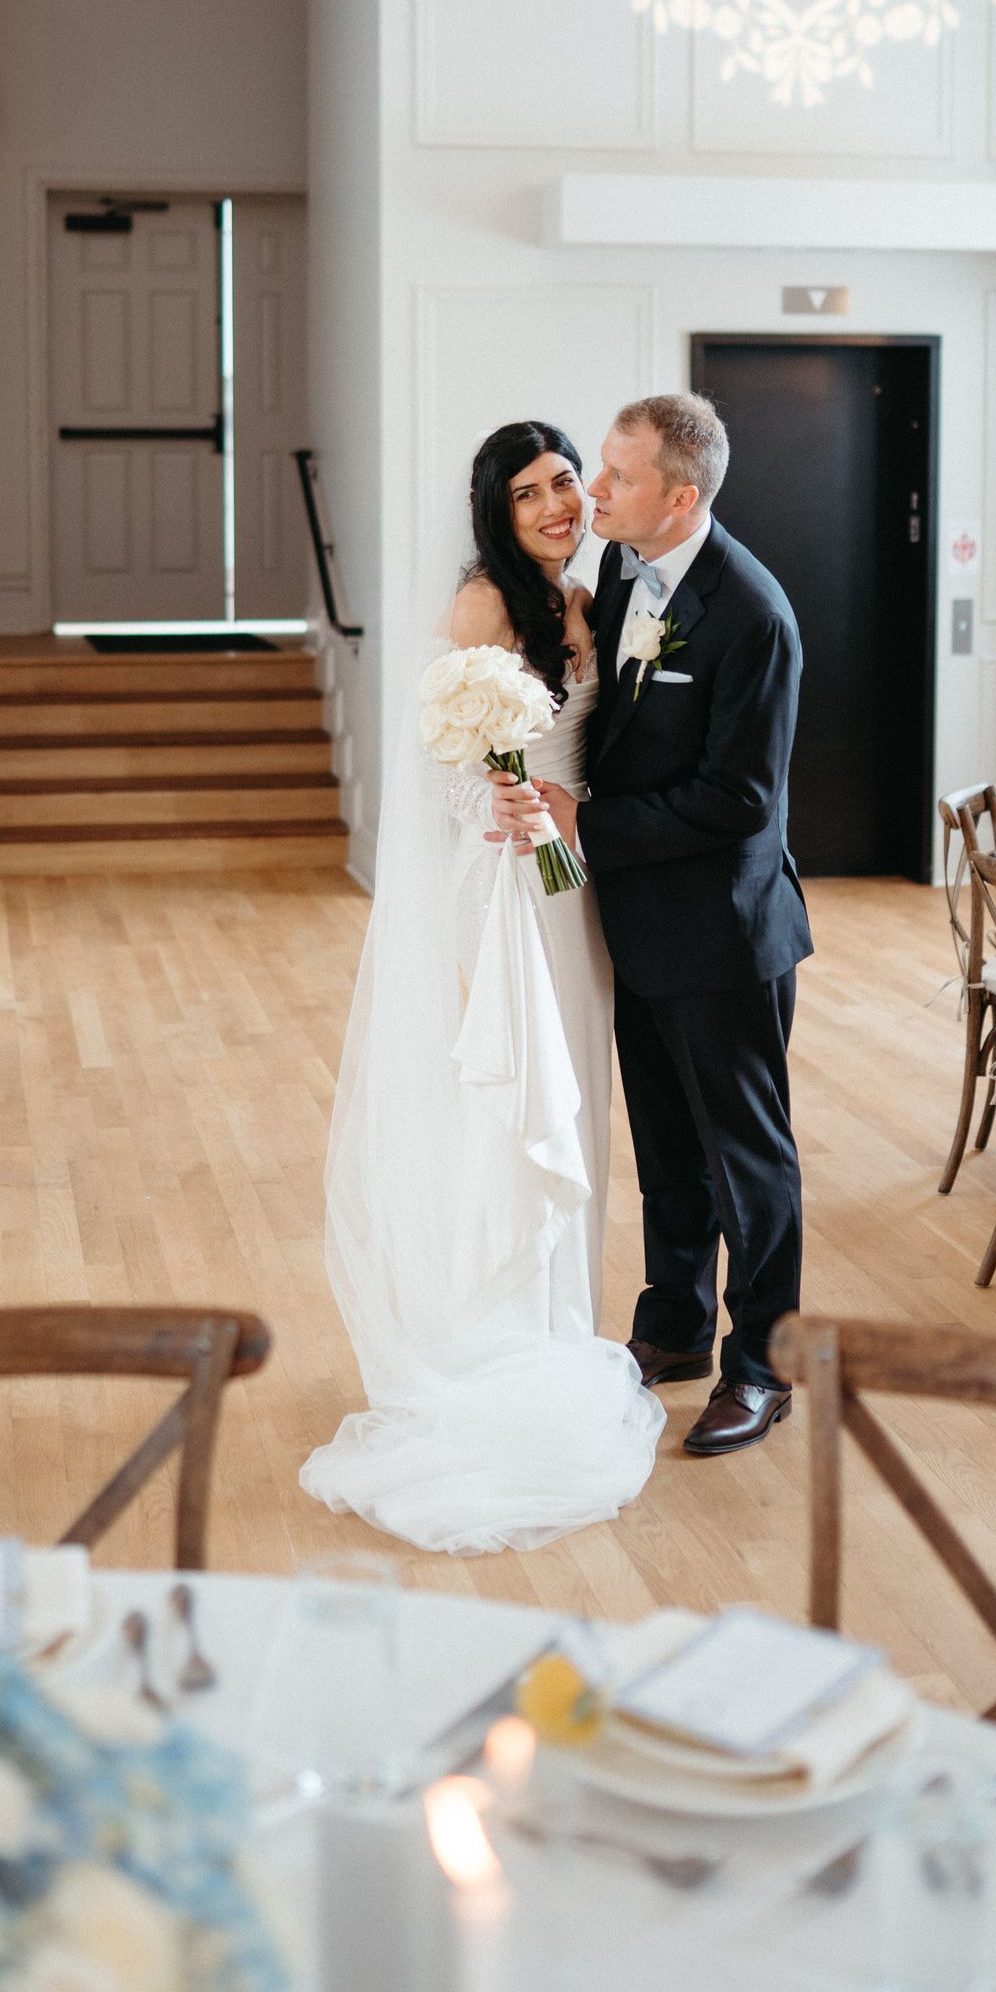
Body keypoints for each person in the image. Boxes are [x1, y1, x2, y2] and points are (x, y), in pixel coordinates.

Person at [299, 420, 662, 1554]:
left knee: (574, 1096)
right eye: (529, 495)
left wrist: (560, 818)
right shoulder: (485, 609)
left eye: (565, 483)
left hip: (576, 887)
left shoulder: (596, 605)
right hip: (505, 892)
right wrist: (497, 808)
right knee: (508, 1104)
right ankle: (496, 1335)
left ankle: (564, 1327)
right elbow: (442, 781)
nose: (558, 505)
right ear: (496, 517)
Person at [487, 392, 811, 1456]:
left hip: (724, 934)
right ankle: (673, 1329)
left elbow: (742, 801)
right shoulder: (624, 569)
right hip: (635, 922)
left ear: (681, 497)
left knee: (745, 1161)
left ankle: (765, 1365)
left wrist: (593, 820)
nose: (593, 493)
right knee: (668, 1148)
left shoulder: (754, 615)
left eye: (615, 478)